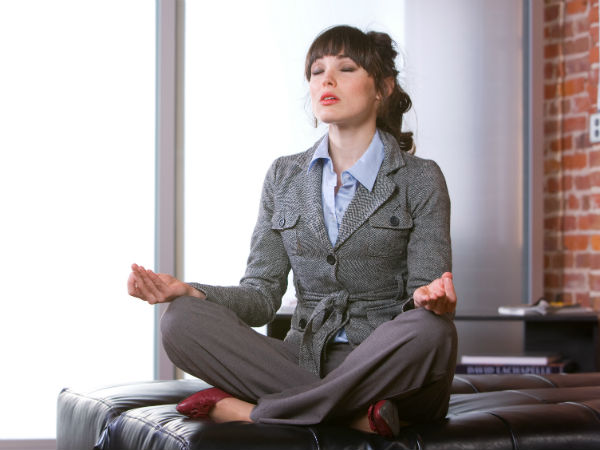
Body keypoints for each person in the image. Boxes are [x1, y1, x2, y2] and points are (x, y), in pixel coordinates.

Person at [128, 25, 457, 439]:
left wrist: (431, 301)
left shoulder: (420, 179)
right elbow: (261, 297)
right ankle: (352, 415)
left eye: (345, 69)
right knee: (180, 320)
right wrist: (190, 292)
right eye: (317, 71)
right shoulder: (283, 176)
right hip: (300, 362)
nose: (327, 80)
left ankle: (254, 413)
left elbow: (424, 296)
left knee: (431, 331)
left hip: (385, 366)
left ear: (383, 88)